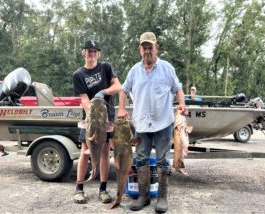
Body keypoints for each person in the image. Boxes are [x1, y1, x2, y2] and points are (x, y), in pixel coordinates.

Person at [117, 32, 187, 213]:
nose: (147, 51)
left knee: (163, 160)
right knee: (141, 159)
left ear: (156, 48)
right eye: (144, 47)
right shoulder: (134, 70)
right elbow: (123, 90)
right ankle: (143, 196)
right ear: (140, 50)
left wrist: (182, 104)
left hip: (163, 122)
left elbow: (177, 88)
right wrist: (122, 109)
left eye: (150, 47)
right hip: (141, 124)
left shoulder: (166, 68)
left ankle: (162, 198)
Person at [72, 40, 121, 204]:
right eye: (88, 50)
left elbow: (118, 86)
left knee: (106, 153)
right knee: (85, 152)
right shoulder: (78, 75)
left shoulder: (106, 67)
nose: (91, 53)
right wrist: (93, 116)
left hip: (107, 118)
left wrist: (103, 92)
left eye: (94, 51)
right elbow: (84, 99)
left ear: (98, 54)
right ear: (83, 53)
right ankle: (79, 189)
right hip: (91, 119)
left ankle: (103, 189)